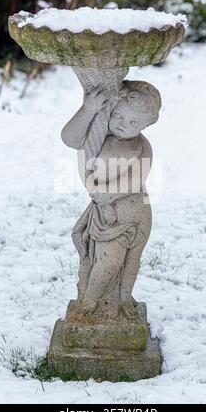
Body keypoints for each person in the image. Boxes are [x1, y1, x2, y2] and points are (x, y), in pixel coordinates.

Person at [62, 79, 161, 320]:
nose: (124, 125)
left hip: (136, 213)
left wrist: (110, 194)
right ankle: (90, 302)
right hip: (109, 219)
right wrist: (88, 110)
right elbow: (70, 139)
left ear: (146, 125)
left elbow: (137, 180)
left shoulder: (141, 147)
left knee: (130, 261)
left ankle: (124, 297)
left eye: (133, 122)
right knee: (109, 261)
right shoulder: (98, 136)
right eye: (118, 117)